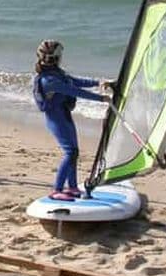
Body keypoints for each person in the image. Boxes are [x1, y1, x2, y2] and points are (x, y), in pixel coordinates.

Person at [33, 39, 111, 201]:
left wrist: (100, 83)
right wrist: (101, 99)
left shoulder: (57, 74)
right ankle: (57, 190)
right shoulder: (49, 81)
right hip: (57, 120)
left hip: (64, 116)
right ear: (55, 58)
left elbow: (76, 82)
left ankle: (73, 187)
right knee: (70, 152)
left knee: (74, 152)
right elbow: (74, 91)